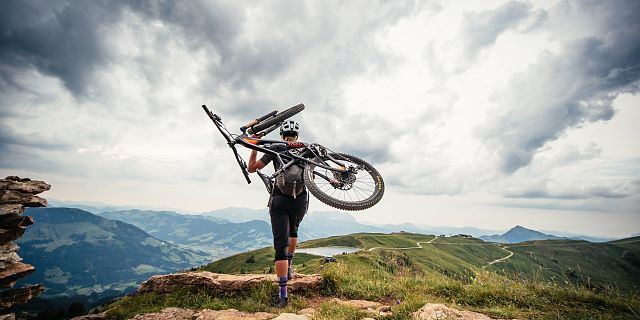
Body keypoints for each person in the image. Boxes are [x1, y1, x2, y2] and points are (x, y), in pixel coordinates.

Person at [247, 120, 308, 308]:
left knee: (280, 245)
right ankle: (289, 268)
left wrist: (255, 146)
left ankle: (283, 295)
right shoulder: (306, 149)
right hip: (300, 200)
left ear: (282, 135)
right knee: (294, 231)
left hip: (279, 199)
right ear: (296, 136)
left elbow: (252, 168)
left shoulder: (276, 148)